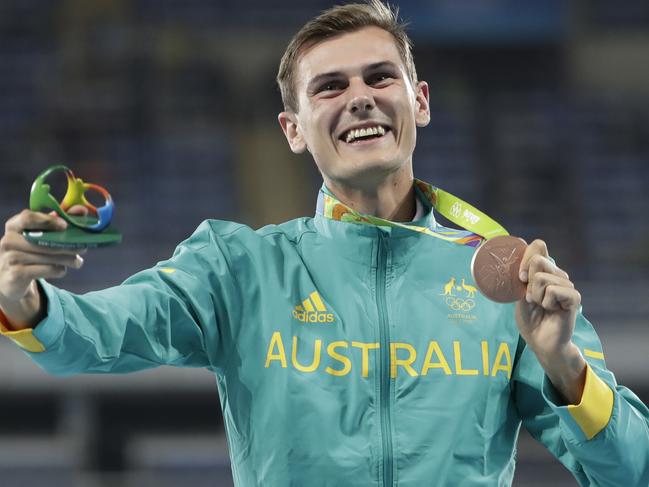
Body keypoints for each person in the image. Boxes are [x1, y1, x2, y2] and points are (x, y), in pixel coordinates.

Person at [1, 1, 648, 485]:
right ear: (291, 128)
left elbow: (630, 468)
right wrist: (27, 300)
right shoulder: (238, 269)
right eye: (330, 87)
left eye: (379, 78)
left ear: (419, 102)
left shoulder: (509, 283)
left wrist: (564, 364)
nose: (360, 99)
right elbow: (96, 335)